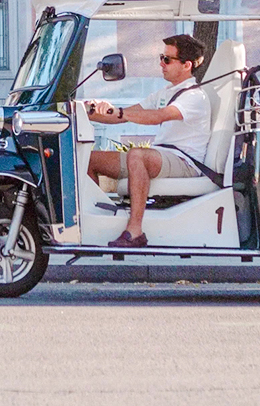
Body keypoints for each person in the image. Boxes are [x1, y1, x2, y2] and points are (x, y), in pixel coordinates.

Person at [83, 34, 212, 248]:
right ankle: (96, 218)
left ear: (187, 65)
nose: (161, 64)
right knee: (89, 158)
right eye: (162, 57)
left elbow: (157, 116)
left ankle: (135, 231)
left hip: (185, 161)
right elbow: (124, 115)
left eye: (167, 60)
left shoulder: (194, 96)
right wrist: (88, 111)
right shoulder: (164, 92)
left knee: (137, 155)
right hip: (161, 157)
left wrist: (119, 111)